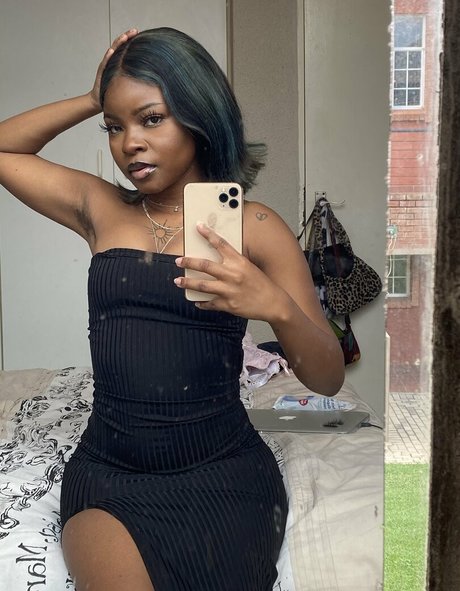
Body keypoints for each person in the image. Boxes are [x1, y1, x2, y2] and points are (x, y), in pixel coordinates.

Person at [0, 27, 344, 591]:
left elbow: (327, 378)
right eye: (114, 126)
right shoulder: (100, 206)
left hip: (224, 473)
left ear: (198, 115)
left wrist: (275, 307)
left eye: (151, 118)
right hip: (111, 474)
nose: (128, 143)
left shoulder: (254, 226)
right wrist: (92, 97)